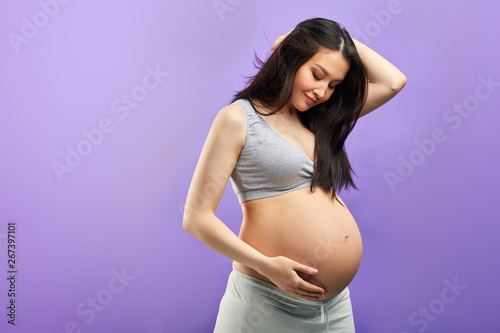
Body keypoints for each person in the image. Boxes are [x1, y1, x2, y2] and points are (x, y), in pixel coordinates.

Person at [183, 17, 406, 332]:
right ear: (291, 57)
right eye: (317, 75)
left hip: (335, 308)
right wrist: (267, 267)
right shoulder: (238, 119)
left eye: (333, 85)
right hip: (266, 300)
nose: (322, 92)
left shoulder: (320, 120)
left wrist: (339, 41)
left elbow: (393, 81)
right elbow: (196, 218)